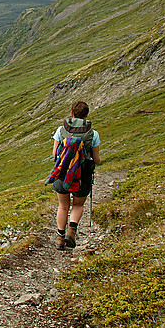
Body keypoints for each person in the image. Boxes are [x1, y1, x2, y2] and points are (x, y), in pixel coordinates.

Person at [51, 100, 100, 250]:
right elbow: (96, 159)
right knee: (77, 204)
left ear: (72, 113)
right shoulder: (93, 134)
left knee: (63, 205)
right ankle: (71, 231)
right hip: (82, 174)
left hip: (63, 173)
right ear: (86, 115)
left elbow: (54, 154)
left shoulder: (61, 130)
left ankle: (60, 237)